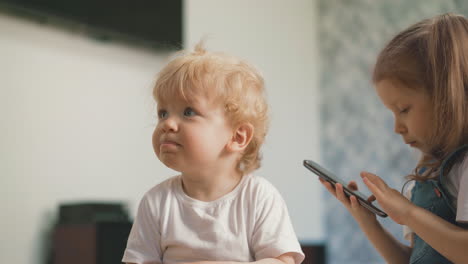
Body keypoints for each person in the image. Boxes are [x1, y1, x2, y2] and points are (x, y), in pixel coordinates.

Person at [122, 43, 305, 264]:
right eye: (162, 113)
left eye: (188, 112)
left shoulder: (259, 197)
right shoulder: (156, 203)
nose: (167, 124)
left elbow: (282, 262)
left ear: (237, 137)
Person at [320, 13, 468, 264]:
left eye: (403, 110)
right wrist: (368, 221)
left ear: (446, 96)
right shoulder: (428, 175)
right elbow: (411, 259)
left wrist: (408, 214)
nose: (397, 127)